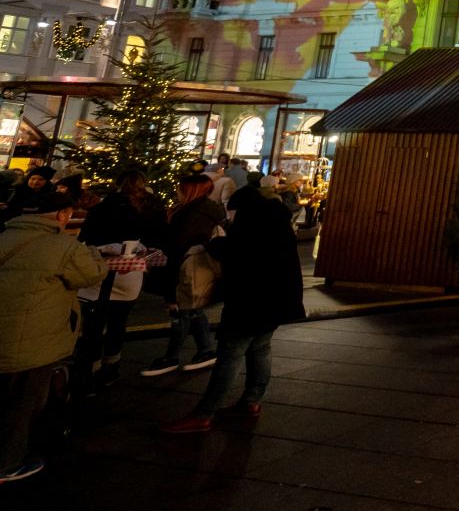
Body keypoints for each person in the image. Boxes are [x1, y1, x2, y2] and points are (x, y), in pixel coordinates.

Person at [161, 189, 307, 433]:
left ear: (242, 208)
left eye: (232, 210)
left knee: (230, 353)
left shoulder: (251, 223)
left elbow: (234, 250)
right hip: (278, 299)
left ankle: (204, 414)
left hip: (251, 300)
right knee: (260, 348)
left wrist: (213, 242)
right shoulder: (278, 220)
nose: (230, 215)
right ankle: (251, 401)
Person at [0, 188, 106, 483]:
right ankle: (7, 464)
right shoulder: (65, 247)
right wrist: (94, 252)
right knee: (22, 402)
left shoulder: (4, 236)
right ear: (62, 215)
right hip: (31, 338)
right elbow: (92, 273)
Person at [76, 170, 166, 391]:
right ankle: (111, 366)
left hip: (99, 270)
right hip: (131, 272)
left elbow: (85, 238)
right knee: (118, 321)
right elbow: (159, 237)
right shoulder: (151, 207)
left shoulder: (103, 207)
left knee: (93, 323)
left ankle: (90, 370)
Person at [141, 173, 224, 376]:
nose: (177, 191)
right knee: (192, 310)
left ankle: (172, 357)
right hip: (196, 267)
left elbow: (176, 248)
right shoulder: (206, 211)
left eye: (181, 188)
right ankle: (205, 351)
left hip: (183, 268)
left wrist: (168, 288)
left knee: (181, 311)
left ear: (190, 191)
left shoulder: (191, 214)